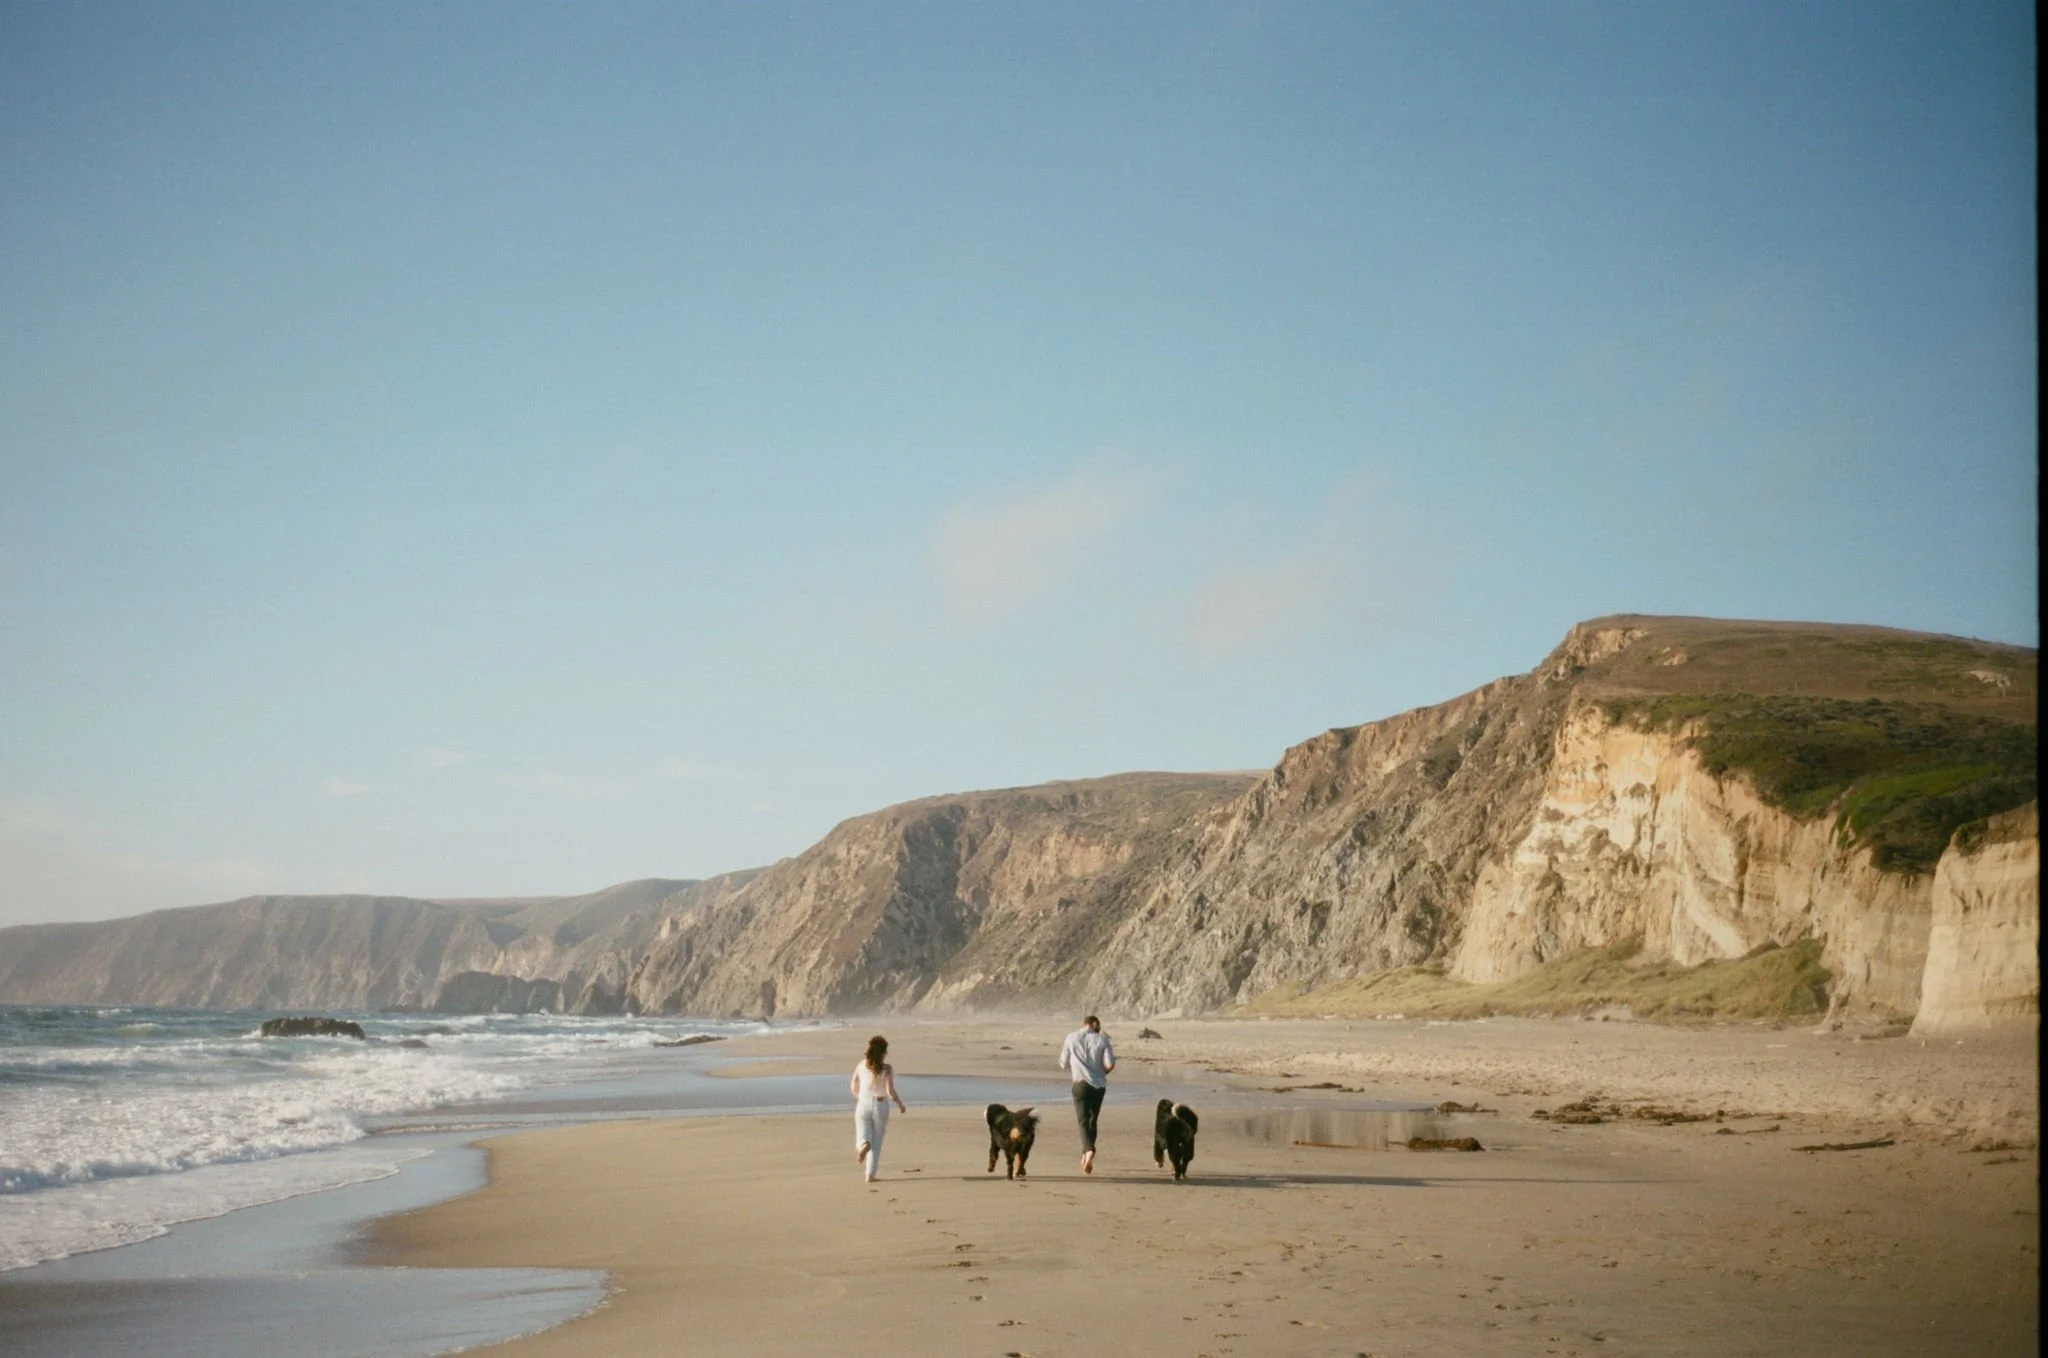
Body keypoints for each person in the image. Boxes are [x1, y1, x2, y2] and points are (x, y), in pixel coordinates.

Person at [1058, 1014, 1115, 1174]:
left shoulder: (1071, 1037)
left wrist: (1078, 1065)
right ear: (1094, 1023)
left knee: (1083, 1121)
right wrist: (1100, 1073)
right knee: (1092, 1120)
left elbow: (1063, 1063)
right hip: (1098, 1086)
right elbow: (1110, 1064)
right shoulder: (1103, 1040)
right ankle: (1085, 1153)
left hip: (1080, 1083)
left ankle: (1088, 1150)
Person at [851, 1034, 907, 1182]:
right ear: (884, 1052)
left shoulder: (860, 1065)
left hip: (863, 1103)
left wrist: (861, 1097)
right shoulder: (886, 1069)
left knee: (862, 1135)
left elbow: (853, 1086)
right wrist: (900, 1104)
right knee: (877, 1141)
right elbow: (889, 1091)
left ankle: (863, 1145)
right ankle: (870, 1175)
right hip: (880, 1105)